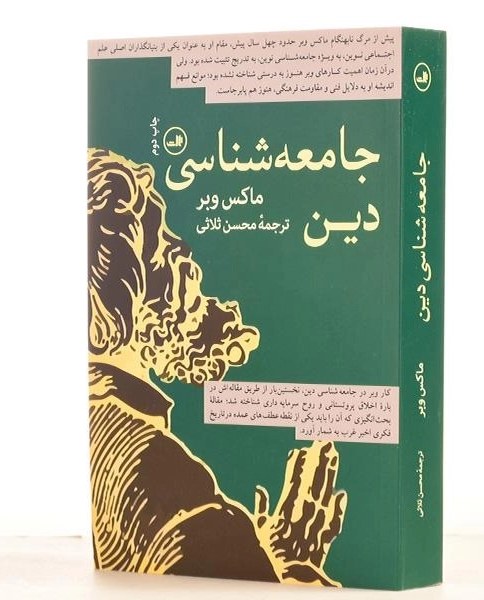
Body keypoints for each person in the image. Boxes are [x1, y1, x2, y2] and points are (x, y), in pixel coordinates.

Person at [87, 148, 347, 585]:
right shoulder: (165, 480)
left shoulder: (99, 429)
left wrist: (263, 556)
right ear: (128, 287)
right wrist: (294, 570)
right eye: (161, 239)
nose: (181, 250)